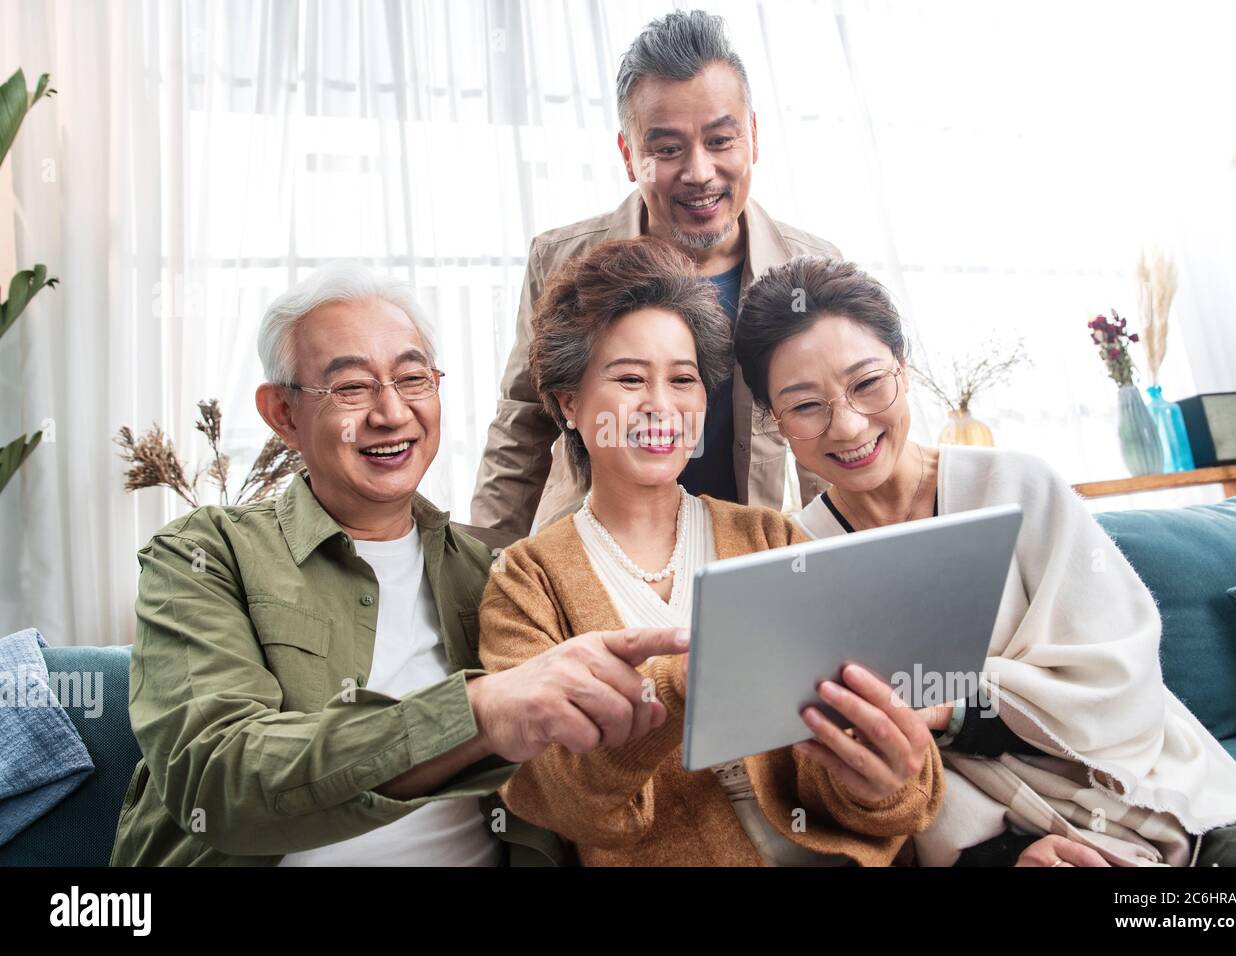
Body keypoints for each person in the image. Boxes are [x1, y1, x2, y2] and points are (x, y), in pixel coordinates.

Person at [111, 262, 687, 866]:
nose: (391, 413)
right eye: (352, 388)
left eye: (413, 379)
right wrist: (477, 712)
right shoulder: (203, 557)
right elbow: (216, 778)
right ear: (283, 414)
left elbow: (581, 792)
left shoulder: (501, 573)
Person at [732, 255, 1236, 867]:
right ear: (773, 419)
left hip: (1166, 794)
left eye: (868, 383)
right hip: (986, 834)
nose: (846, 425)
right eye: (805, 405)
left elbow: (1119, 680)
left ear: (905, 366)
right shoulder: (795, 556)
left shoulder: (1017, 484)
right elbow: (845, 772)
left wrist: (948, 707)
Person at [477, 237, 944, 866]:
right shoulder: (525, 583)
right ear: (568, 402)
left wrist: (875, 781)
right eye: (629, 379)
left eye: (684, 380)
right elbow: (557, 797)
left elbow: (911, 792)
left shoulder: (774, 540)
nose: (661, 406)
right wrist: (679, 687)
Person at [471, 9, 840, 537]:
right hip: (595, 552)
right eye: (667, 149)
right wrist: (484, 573)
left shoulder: (809, 270)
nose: (698, 173)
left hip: (745, 553)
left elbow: (826, 433)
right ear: (629, 155)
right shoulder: (560, 260)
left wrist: (836, 565)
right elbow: (521, 429)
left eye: (719, 141)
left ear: (752, 137)